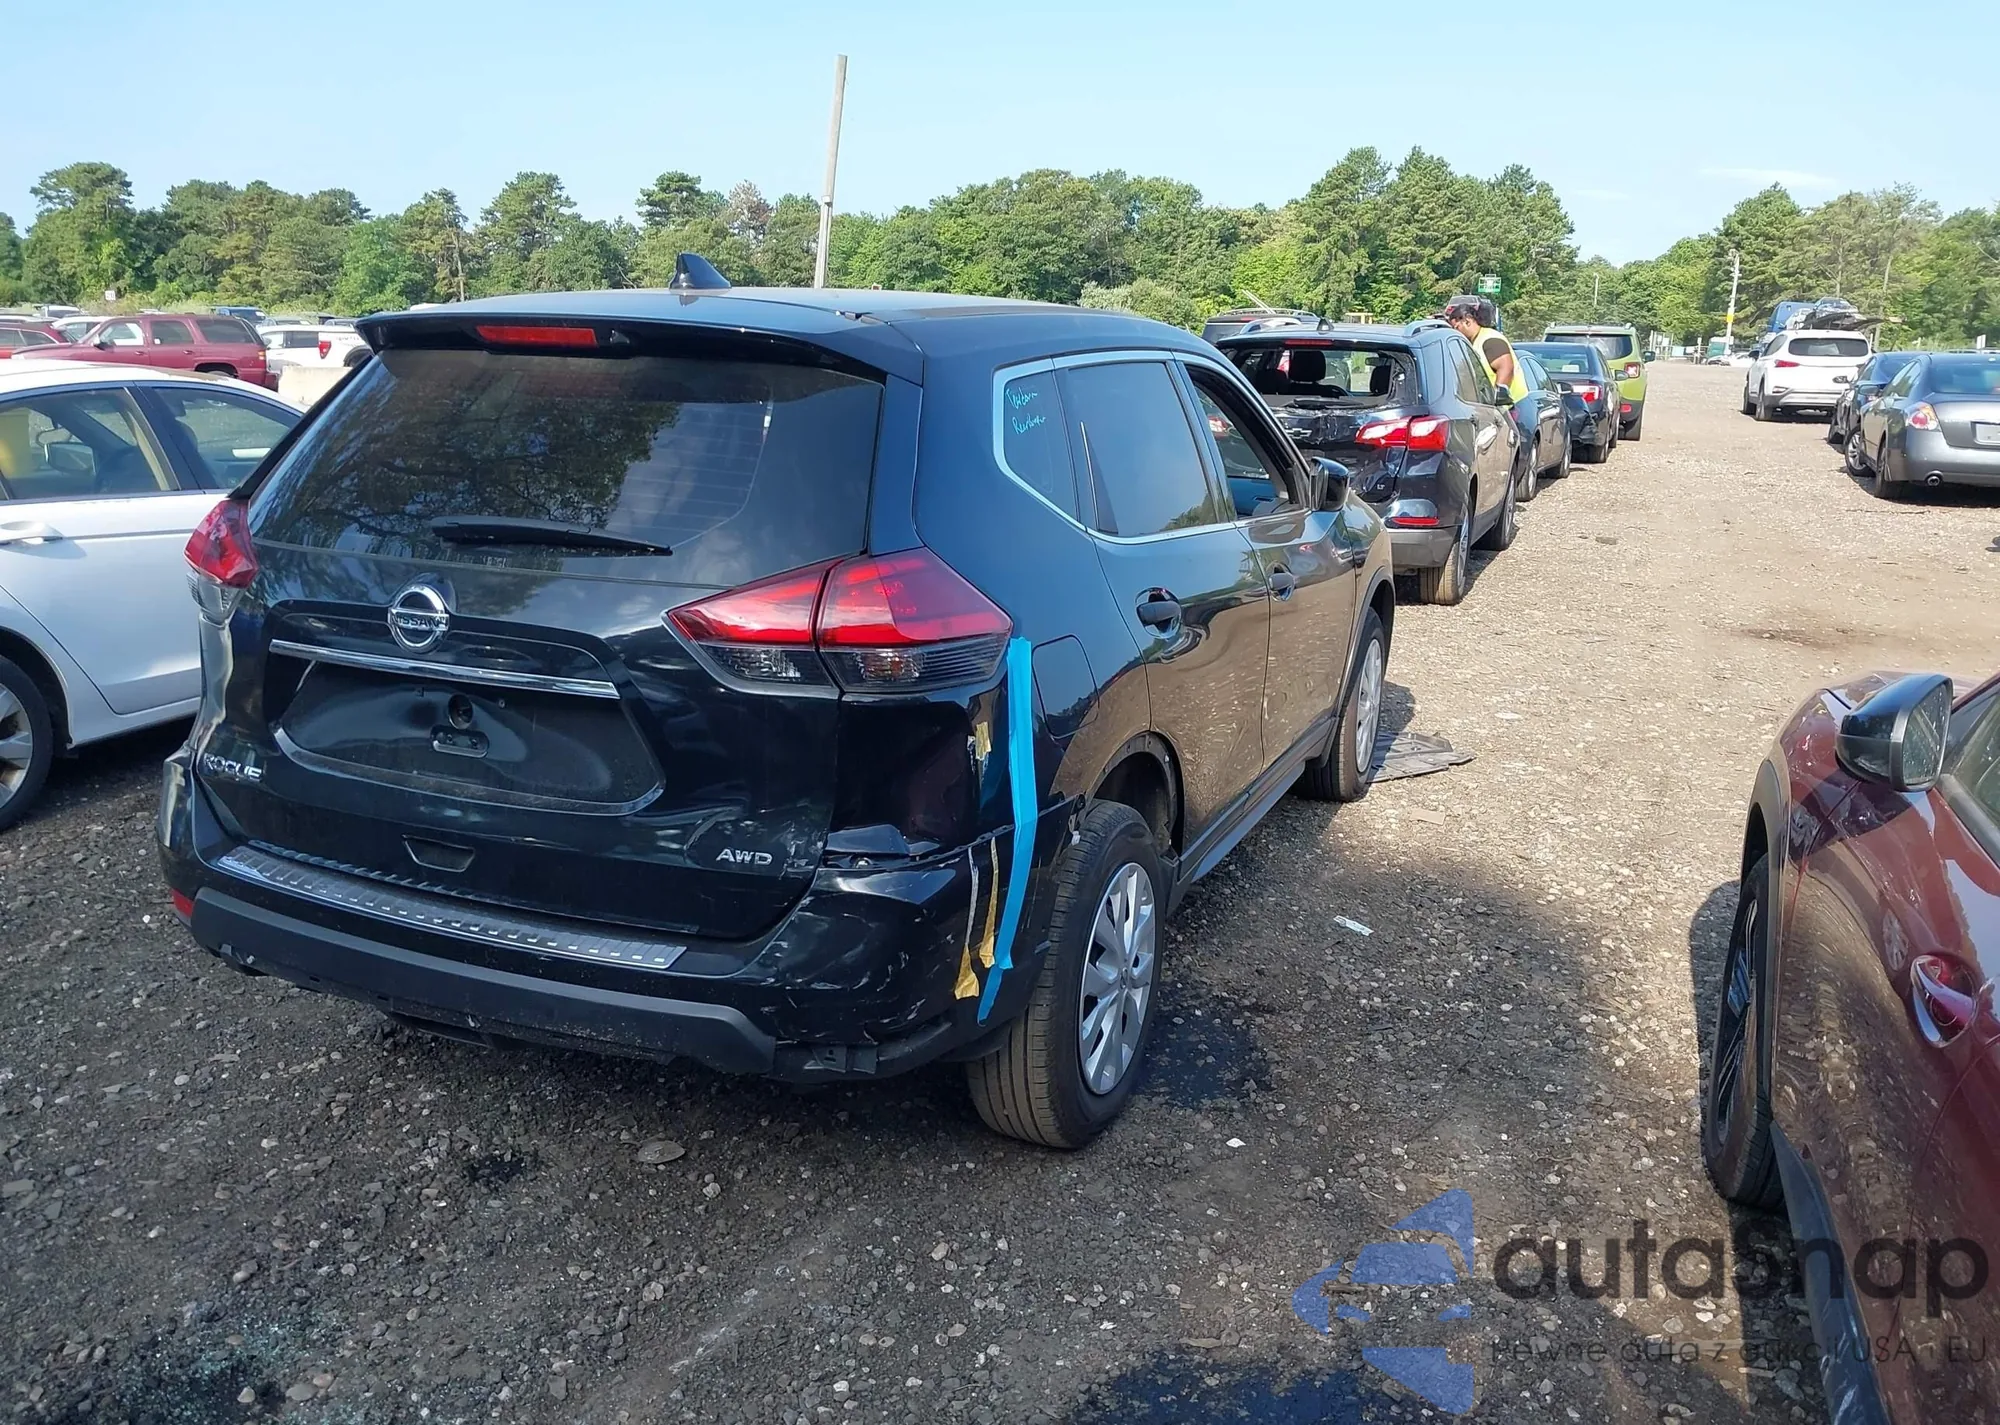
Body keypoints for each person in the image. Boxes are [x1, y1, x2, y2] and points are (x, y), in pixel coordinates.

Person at [1444, 295, 1527, 405]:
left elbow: (1506, 367)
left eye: (1457, 327)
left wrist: (1498, 397)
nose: (1456, 332)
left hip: (1512, 407)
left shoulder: (1489, 339)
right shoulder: (1475, 342)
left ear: (1467, 321)